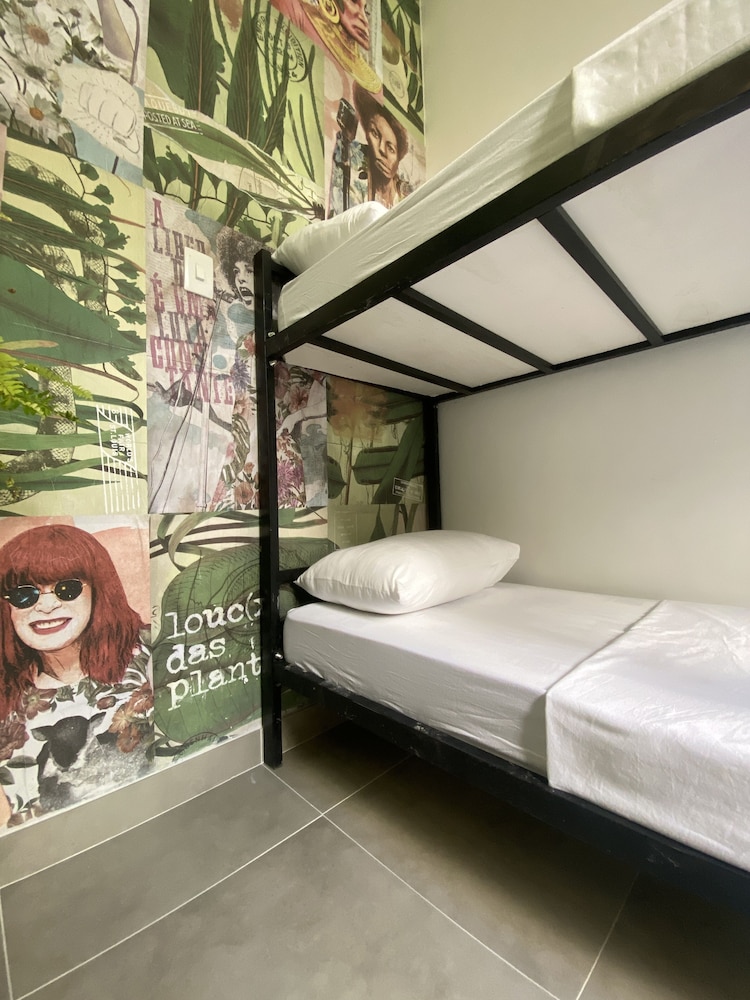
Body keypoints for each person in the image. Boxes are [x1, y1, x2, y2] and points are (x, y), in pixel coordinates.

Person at [0, 524, 152, 828]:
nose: (47, 606)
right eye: (24, 595)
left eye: (66, 589)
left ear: (98, 590)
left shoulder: (148, 649)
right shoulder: (8, 695)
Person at [329, 85, 410, 214]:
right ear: (367, 134)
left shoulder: (405, 193)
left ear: (398, 158)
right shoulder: (352, 158)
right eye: (375, 134)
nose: (381, 149)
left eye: (390, 148)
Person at [272, 0, 381, 92]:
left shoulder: (369, 79)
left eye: (366, 11)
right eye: (353, 1)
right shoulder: (292, 8)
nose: (363, 19)